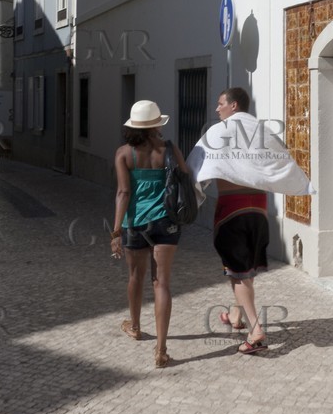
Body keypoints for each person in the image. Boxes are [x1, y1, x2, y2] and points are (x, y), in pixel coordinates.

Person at [111, 99, 190, 369]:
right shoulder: (170, 150)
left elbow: (123, 192)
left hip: (136, 223)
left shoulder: (124, 153)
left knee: (135, 276)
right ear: (156, 124)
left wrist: (116, 230)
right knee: (162, 284)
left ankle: (134, 326)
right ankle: (161, 349)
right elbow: (186, 177)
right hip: (167, 223)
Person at [209, 87, 274, 356]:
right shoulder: (262, 131)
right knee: (244, 269)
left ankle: (256, 329)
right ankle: (237, 315)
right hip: (259, 209)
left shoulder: (219, 133)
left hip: (231, 211)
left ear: (234, 105)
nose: (217, 109)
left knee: (237, 274)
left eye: (221, 103)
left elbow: (200, 165)